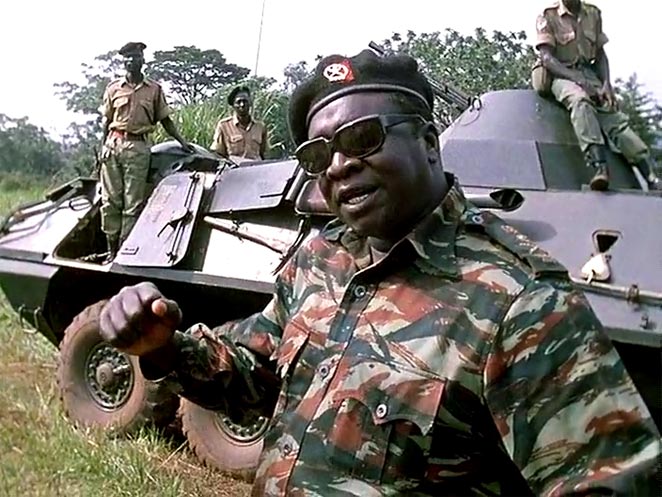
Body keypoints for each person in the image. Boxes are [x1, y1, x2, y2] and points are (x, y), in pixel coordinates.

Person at [99, 50, 660, 495]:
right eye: (318, 154)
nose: (339, 164)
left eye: (363, 138)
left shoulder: (520, 302)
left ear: (430, 143)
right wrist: (166, 347)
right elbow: (256, 377)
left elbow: (611, 481)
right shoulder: (320, 260)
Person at [535, 0, 661, 191]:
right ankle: (599, 167)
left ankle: (650, 175)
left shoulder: (592, 14)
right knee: (580, 101)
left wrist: (606, 84)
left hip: (589, 73)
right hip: (561, 74)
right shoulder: (548, 15)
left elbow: (600, 54)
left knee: (614, 117)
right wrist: (577, 80)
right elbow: (547, 58)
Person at [100, 41, 194, 261]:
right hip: (113, 145)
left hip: (138, 147)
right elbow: (106, 121)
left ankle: (123, 252)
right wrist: (103, 147)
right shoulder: (114, 88)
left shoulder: (154, 89)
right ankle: (111, 251)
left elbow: (165, 120)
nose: (131, 61)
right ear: (123, 62)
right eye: (127, 58)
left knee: (132, 204)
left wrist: (182, 142)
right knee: (110, 201)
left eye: (135, 57)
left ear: (143, 61)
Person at [211, 85, 268, 160]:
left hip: (257, 166)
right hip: (234, 166)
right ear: (233, 105)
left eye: (245, 101)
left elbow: (263, 153)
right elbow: (218, 154)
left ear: (250, 103)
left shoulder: (260, 127)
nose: (242, 105)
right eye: (238, 102)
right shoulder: (224, 126)